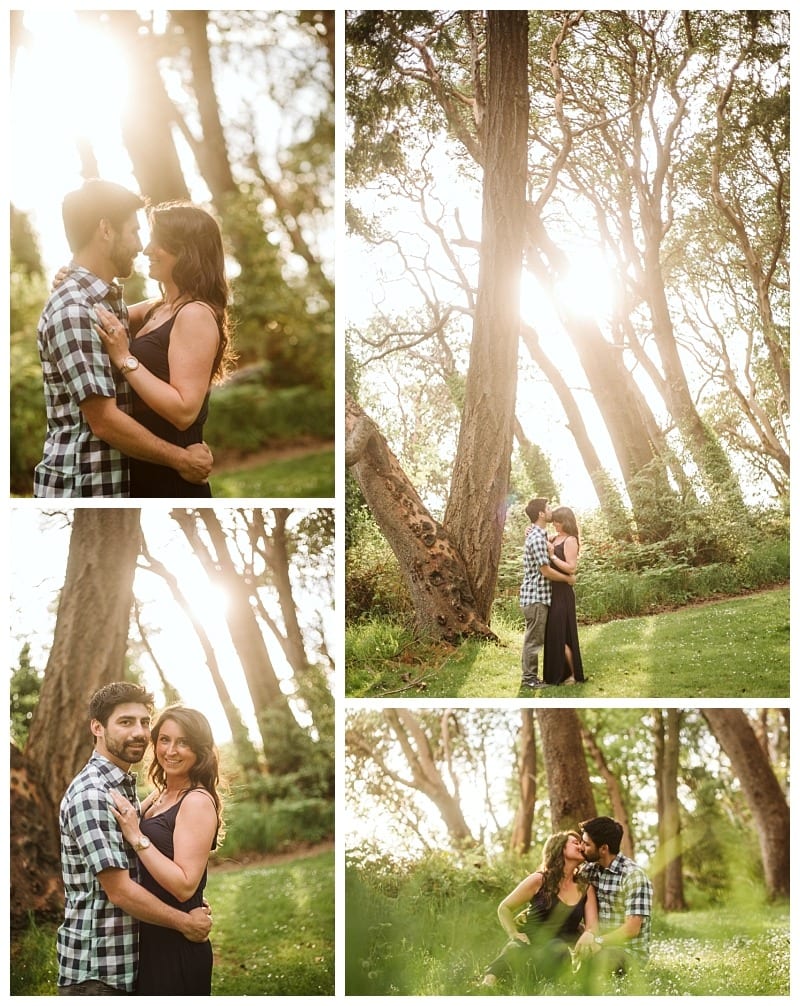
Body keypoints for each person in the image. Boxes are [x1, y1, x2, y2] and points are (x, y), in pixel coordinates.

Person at [34, 179, 213, 497]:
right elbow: (103, 421)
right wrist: (181, 458)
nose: (140, 246)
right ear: (106, 230)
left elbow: (172, 310)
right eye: (133, 231)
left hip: (119, 481)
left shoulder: (105, 303)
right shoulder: (75, 308)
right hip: (85, 485)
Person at [57, 683, 212, 995]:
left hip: (131, 963)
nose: (139, 732)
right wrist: (185, 922)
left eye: (144, 722)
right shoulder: (92, 795)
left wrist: (186, 898)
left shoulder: (124, 787)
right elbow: (121, 892)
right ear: (97, 727)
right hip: (99, 972)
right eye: (126, 722)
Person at [92, 201, 235, 497]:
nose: (146, 249)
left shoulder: (195, 314)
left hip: (172, 476)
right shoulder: (158, 309)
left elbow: (184, 411)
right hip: (143, 465)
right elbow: (94, 313)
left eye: (158, 242)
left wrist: (124, 358)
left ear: (187, 251)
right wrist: (69, 277)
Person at [109, 705, 223, 994]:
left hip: (177, 946)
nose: (171, 750)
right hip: (150, 937)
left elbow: (185, 886)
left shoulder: (196, 801)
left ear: (200, 749)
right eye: (165, 739)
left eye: (183, 742)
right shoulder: (160, 796)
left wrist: (137, 837)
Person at [481, 831, 598, 989]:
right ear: (560, 848)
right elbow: (504, 908)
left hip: (558, 953)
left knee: (558, 948)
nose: (581, 846)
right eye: (575, 842)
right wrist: (514, 933)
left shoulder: (585, 887)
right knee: (514, 948)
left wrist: (589, 933)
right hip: (529, 946)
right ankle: (486, 986)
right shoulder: (539, 880)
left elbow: (592, 924)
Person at [572, 816, 653, 974]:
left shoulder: (633, 876)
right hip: (596, 944)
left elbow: (632, 929)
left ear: (603, 849)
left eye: (587, 844)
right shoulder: (589, 871)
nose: (581, 847)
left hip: (627, 952)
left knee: (595, 965)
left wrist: (598, 942)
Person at [519, 498, 577, 691]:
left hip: (541, 596)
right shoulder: (537, 539)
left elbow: (558, 540)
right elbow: (545, 571)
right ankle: (529, 679)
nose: (551, 510)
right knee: (533, 640)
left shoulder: (540, 535)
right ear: (542, 514)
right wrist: (567, 579)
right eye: (548, 507)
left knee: (536, 638)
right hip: (535, 596)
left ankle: (539, 676)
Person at [543, 506, 585, 685]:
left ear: (565, 522)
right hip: (550, 590)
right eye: (553, 522)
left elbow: (571, 568)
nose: (555, 525)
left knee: (563, 634)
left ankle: (574, 675)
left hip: (563, 592)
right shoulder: (554, 537)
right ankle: (558, 675)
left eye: (558, 522)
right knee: (554, 634)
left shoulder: (570, 540)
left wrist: (552, 556)